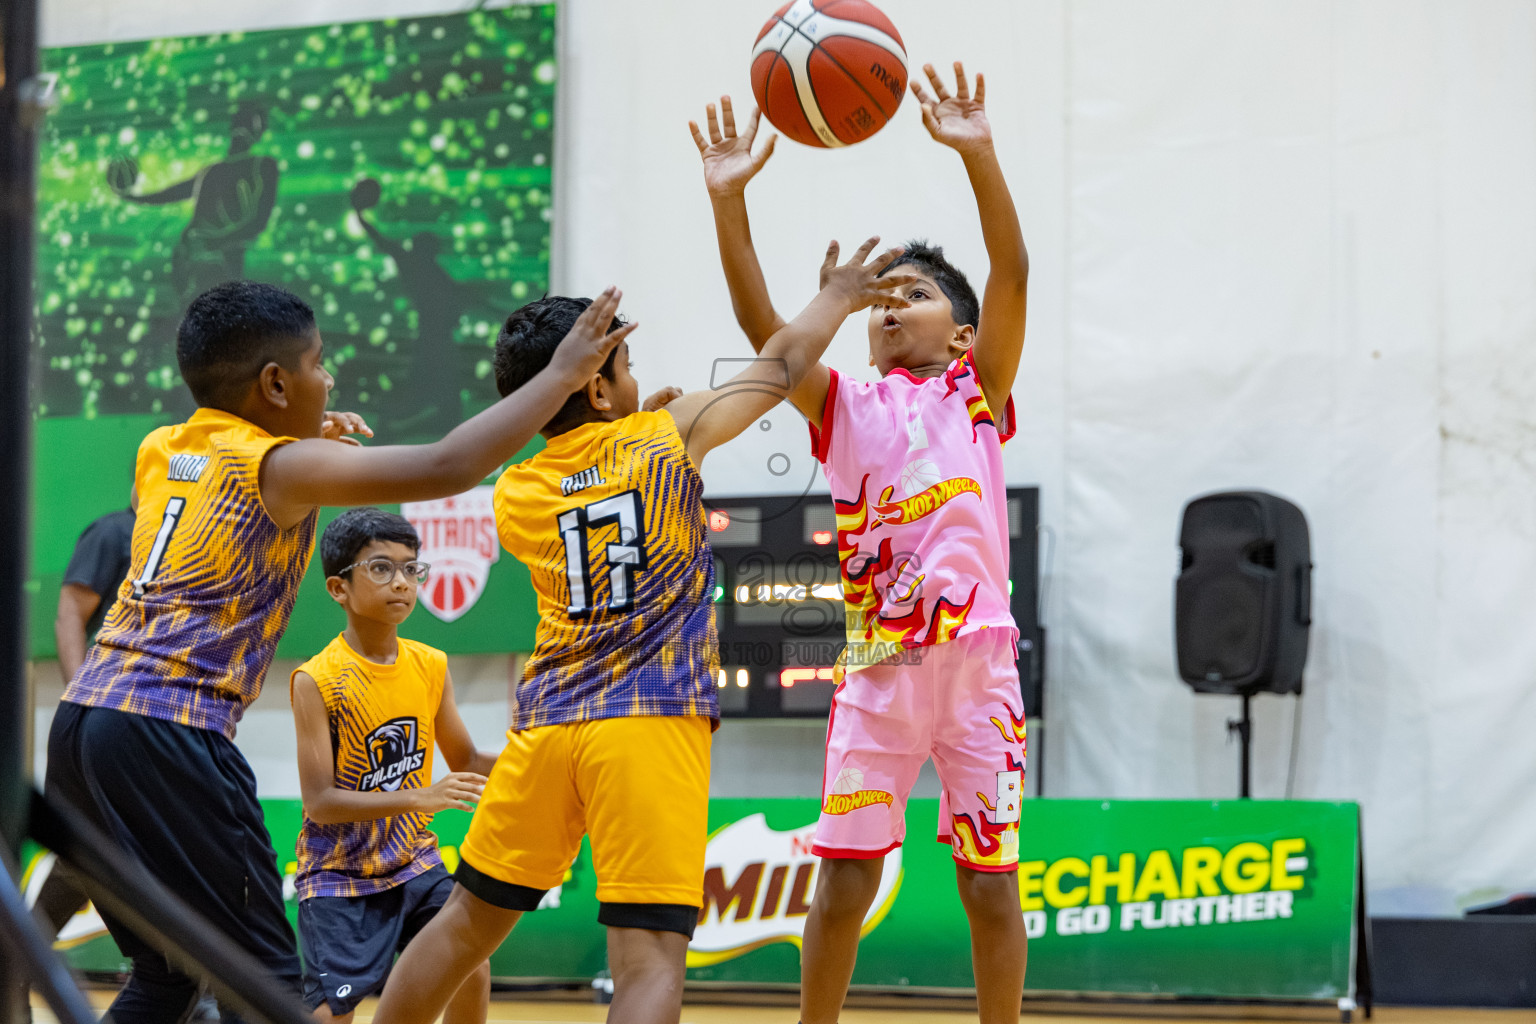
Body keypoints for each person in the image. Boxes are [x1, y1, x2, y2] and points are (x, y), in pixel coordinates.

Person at [43, 277, 630, 1024]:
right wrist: (561, 376)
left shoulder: (161, 448)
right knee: (267, 984)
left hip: (83, 724)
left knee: (164, 979)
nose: (332, 379)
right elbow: (447, 465)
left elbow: (226, 488)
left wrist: (299, 442)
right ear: (275, 383)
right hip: (170, 730)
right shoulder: (283, 466)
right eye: (321, 364)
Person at [371, 240, 915, 1024]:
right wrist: (835, 295)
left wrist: (634, 421)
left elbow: (591, 489)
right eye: (624, 367)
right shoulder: (669, 435)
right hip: (651, 723)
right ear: (597, 387)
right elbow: (783, 365)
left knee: (465, 927)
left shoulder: (515, 491)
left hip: (548, 725)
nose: (634, 379)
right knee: (648, 960)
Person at [692, 63, 1031, 1024]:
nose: (887, 305)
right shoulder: (844, 405)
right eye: (876, 298)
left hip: (981, 673)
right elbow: (768, 333)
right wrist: (730, 207)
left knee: (990, 888)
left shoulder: (980, 392)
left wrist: (979, 154)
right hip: (879, 670)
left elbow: (1013, 273)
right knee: (841, 885)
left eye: (911, 292)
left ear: (962, 335)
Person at [290, 508, 496, 1024]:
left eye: (411, 568)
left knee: (472, 965)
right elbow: (320, 803)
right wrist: (420, 796)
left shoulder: (430, 664)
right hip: (339, 876)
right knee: (331, 1013)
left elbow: (467, 760)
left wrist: (545, 752)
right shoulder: (317, 680)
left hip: (414, 863)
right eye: (381, 568)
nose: (402, 582)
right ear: (339, 589)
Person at [54, 501, 135, 683]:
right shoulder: (114, 530)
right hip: (114, 686)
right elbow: (71, 614)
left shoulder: (192, 534)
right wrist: (77, 697)